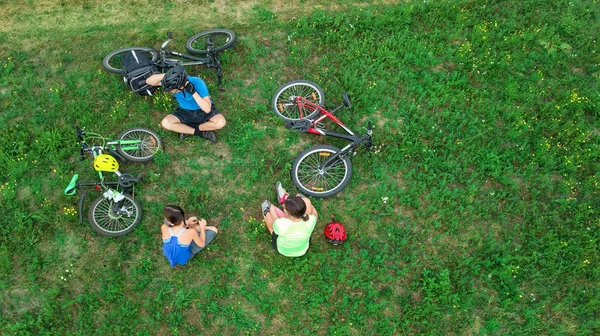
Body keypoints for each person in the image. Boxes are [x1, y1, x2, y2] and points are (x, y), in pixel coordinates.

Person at [146, 66, 226, 143]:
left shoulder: (197, 82)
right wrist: (169, 75)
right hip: (184, 111)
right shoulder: (172, 83)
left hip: (202, 110)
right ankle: (199, 132)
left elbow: (207, 109)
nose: (171, 91)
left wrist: (193, 92)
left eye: (172, 90)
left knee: (220, 122)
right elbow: (149, 81)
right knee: (166, 123)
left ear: (180, 86)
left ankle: (187, 129)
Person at [261, 182, 318, 257]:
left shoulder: (281, 224)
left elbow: (272, 224)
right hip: (302, 249)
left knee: (272, 224)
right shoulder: (311, 220)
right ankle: (292, 201)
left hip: (283, 249)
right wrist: (306, 201)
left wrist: (271, 209)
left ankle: (266, 210)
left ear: (286, 212)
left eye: (284, 207)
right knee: (307, 202)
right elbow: (315, 213)